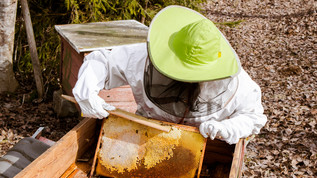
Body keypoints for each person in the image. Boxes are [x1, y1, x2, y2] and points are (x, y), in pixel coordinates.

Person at [72, 5, 267, 145]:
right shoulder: (142, 58)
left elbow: (253, 117)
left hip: (202, 149)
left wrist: (229, 128)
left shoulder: (239, 84)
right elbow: (102, 61)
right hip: (143, 139)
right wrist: (87, 90)